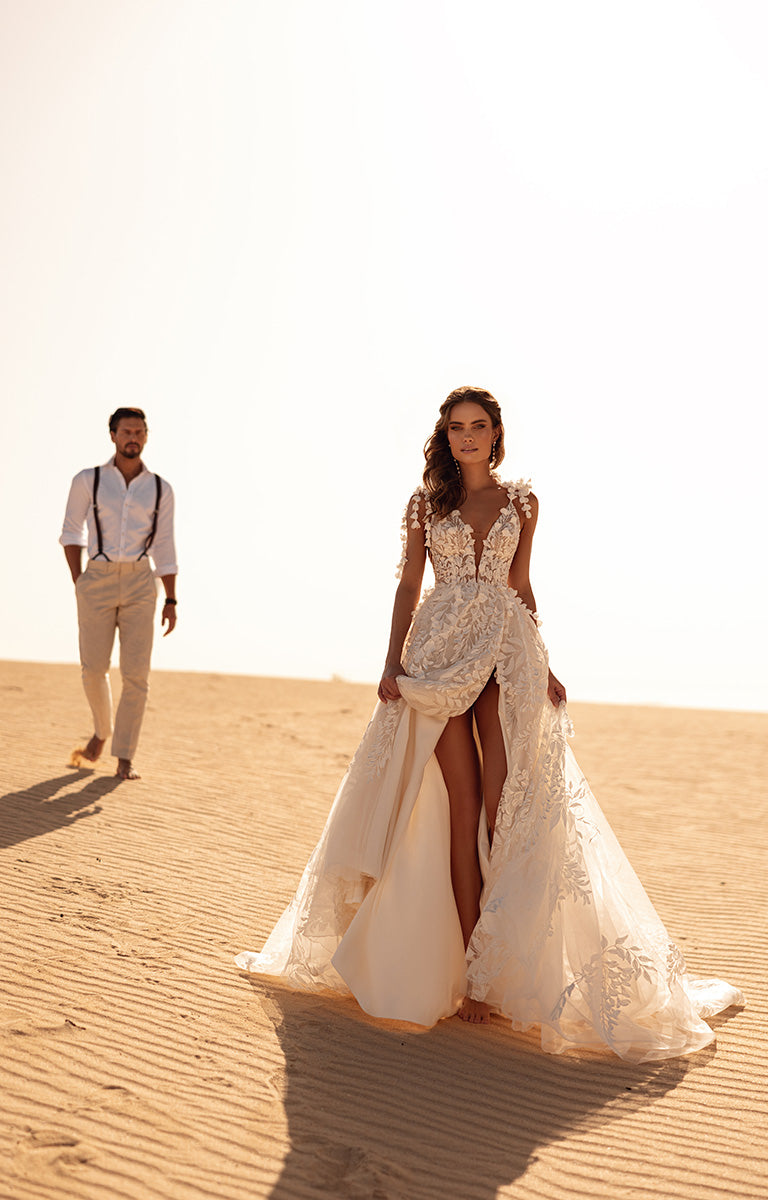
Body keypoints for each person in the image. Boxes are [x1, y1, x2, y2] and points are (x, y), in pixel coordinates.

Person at [236, 386, 743, 1061]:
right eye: (456, 428)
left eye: (479, 427)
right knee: (461, 806)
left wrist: (546, 662)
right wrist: (391, 663)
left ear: (497, 434)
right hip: (441, 653)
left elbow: (521, 586)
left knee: (509, 809)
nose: (467, 438)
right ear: (444, 437)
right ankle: (472, 979)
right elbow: (407, 585)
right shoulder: (425, 504)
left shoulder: (522, 501)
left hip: (506, 650)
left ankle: (505, 963)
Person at [60, 407, 178, 780]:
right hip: (96, 577)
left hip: (142, 582)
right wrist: (79, 579)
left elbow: (165, 546)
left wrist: (171, 599)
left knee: (136, 674)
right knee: (93, 669)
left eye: (140, 432)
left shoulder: (160, 488)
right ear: (112, 435)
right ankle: (101, 730)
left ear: (146, 436)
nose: (133, 437)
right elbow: (70, 532)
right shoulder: (87, 480)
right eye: (127, 431)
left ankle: (124, 757)